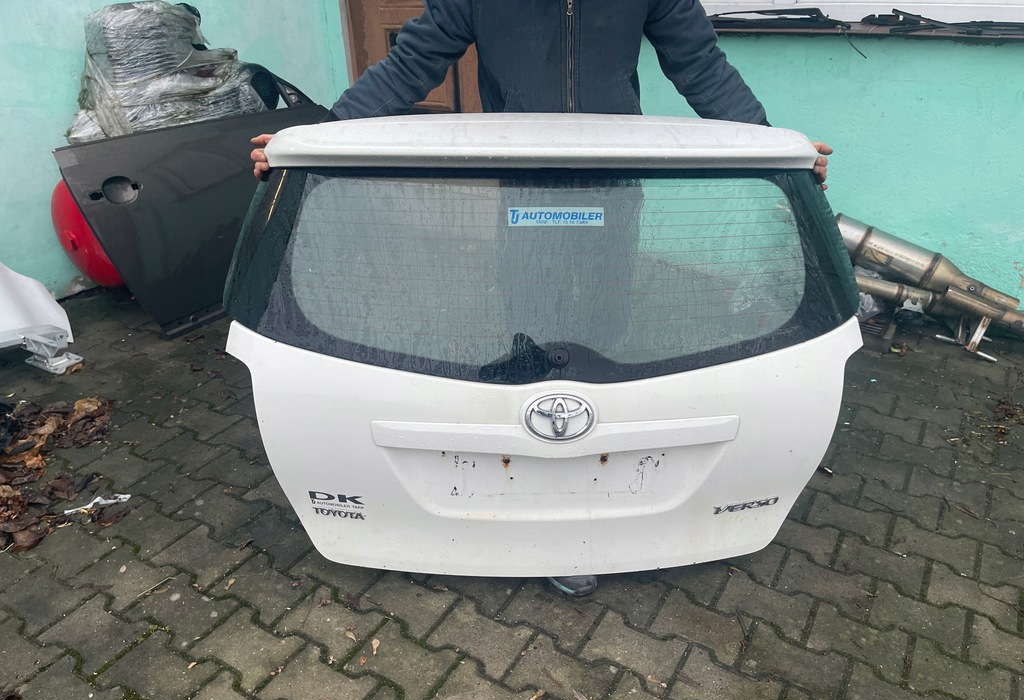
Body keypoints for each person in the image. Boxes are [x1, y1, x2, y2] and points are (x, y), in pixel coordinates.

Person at [250, 0, 831, 597]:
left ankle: (599, 479)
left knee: (605, 317)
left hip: (613, 180)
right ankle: (526, 469)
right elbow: (412, 62)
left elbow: (699, 65)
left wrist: (778, 152)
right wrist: (312, 141)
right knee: (531, 312)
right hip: (525, 181)